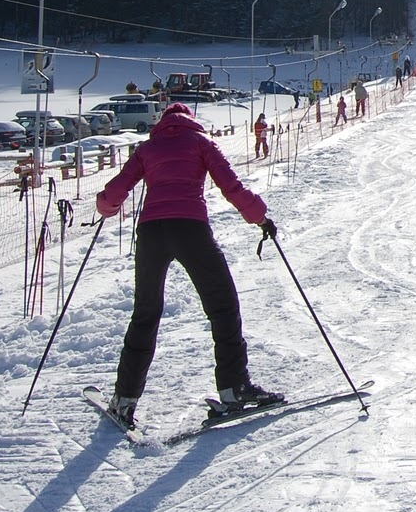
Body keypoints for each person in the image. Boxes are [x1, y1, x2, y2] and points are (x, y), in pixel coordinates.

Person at [94, 103, 280, 428]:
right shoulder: (202, 143)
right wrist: (259, 217)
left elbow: (116, 190)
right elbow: (231, 187)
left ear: (162, 123)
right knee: (222, 306)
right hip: (190, 228)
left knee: (145, 313)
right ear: (190, 122)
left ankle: (124, 399)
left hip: (152, 233)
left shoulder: (147, 149)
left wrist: (107, 206)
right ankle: (234, 389)